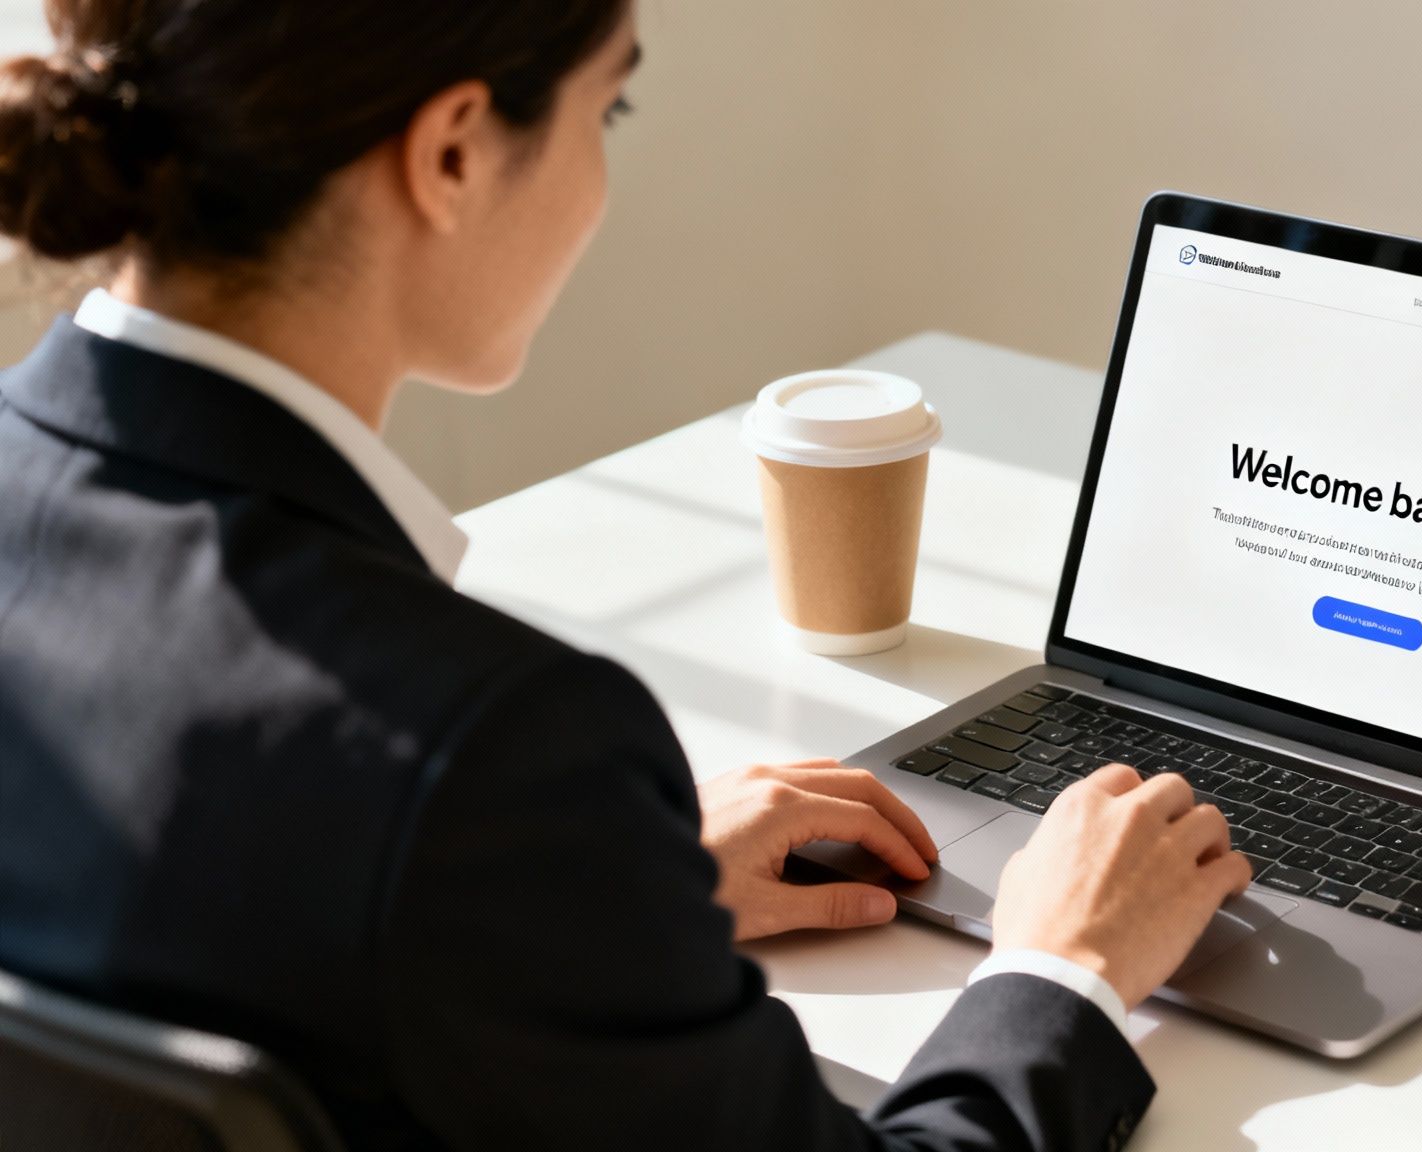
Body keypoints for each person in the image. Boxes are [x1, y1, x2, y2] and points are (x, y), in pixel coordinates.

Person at [0, 2, 1252, 1150]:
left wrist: (586, 905)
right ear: (451, 153)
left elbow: (177, 875)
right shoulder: (492, 753)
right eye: (609, 109)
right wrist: (1064, 965)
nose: (604, 175)